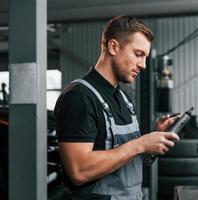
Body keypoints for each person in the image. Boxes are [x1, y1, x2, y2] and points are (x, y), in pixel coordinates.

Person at [54, 15, 180, 200]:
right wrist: (140, 144)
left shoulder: (124, 98)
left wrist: (153, 138)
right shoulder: (79, 97)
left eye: (145, 57)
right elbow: (78, 171)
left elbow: (126, 155)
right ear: (113, 47)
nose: (143, 65)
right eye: (138, 54)